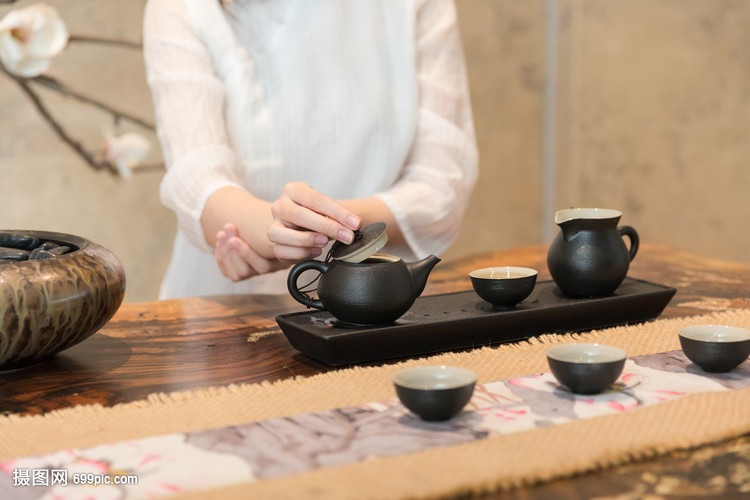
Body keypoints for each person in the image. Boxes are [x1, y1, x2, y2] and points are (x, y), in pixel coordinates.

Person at [143, 0, 478, 299]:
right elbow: (197, 182)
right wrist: (279, 233)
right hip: (224, 319)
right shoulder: (183, 8)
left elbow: (441, 187)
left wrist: (304, 231)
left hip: (374, 304)